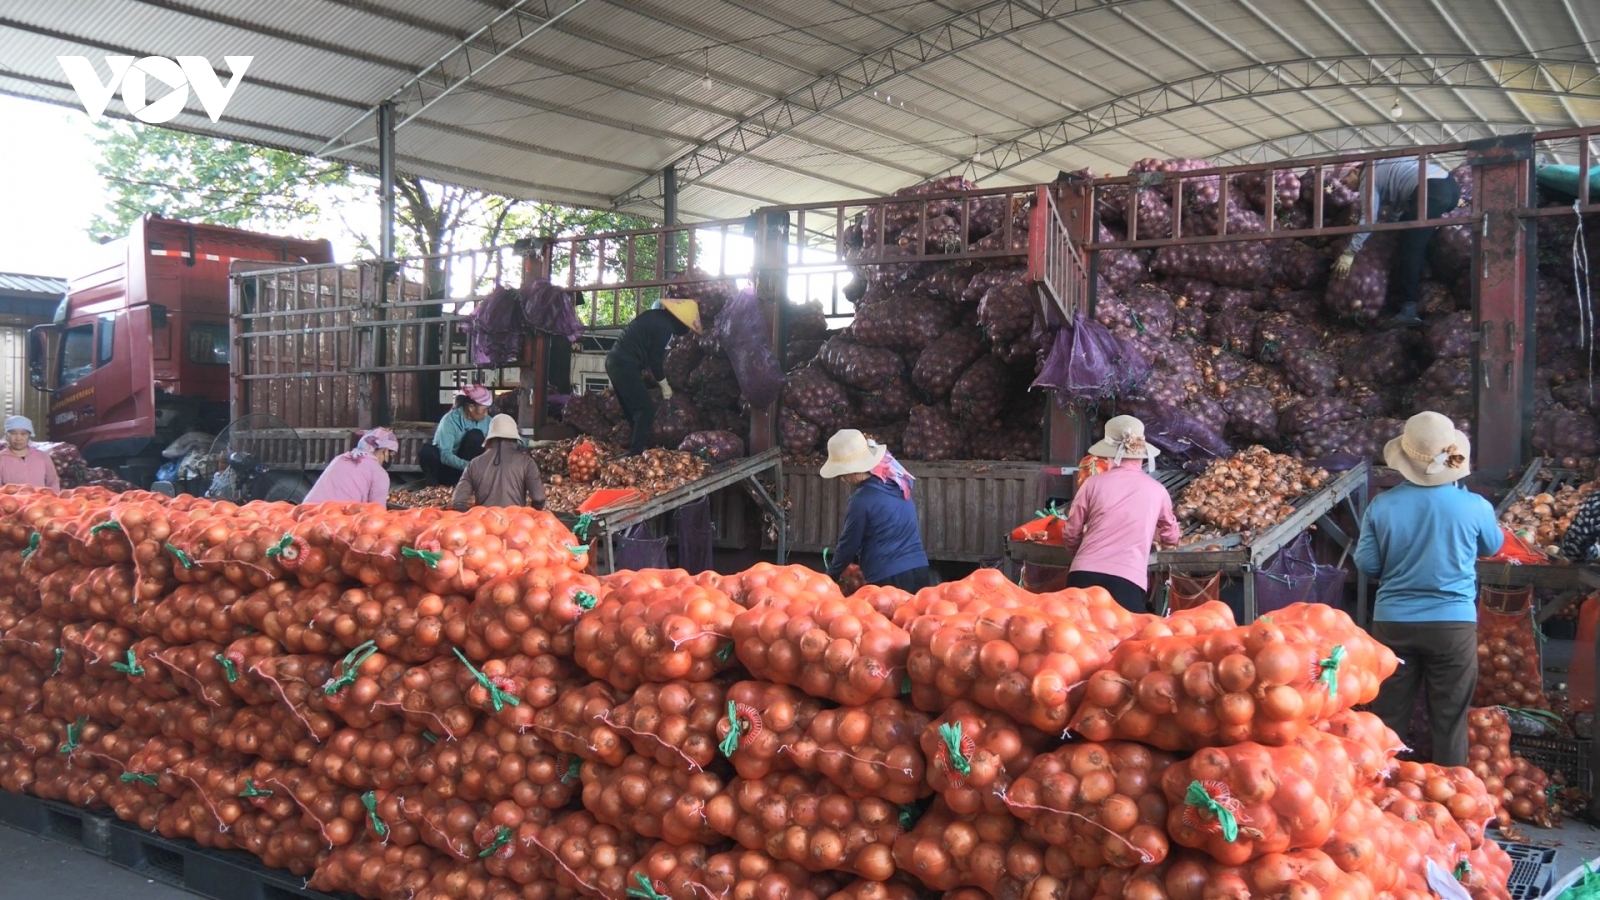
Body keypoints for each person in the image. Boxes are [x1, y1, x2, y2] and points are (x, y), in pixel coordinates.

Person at [1355, 411, 1502, 767]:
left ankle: (1381, 788)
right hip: (1453, 626)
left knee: (1387, 719)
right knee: (1449, 721)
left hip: (1394, 623)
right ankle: (1452, 792)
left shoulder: (1382, 505)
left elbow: (1367, 565)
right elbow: (1492, 546)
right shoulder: (1475, 506)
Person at [1058, 416, 1180, 613]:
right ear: (1142, 454)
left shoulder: (1092, 484)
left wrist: (1080, 555)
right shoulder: (1157, 491)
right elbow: (1171, 536)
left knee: (1077, 632)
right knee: (1121, 633)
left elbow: (1071, 532)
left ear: (1108, 455)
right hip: (1126, 580)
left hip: (1082, 575)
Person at [1331, 157, 1460, 327]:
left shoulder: (1368, 176)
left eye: (1344, 180)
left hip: (1432, 190)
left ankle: (1409, 310)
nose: (1345, 186)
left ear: (1355, 171)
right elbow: (1399, 203)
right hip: (1450, 187)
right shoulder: (1382, 167)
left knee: (1410, 249)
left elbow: (1368, 219)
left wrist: (1349, 253)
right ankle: (1421, 279)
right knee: (1413, 236)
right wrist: (1391, 225)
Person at [820, 429, 931, 592]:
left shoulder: (861, 500)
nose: (842, 479)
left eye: (841, 473)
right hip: (920, 568)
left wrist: (830, 577)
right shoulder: (896, 481)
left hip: (888, 577)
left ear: (851, 470)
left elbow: (849, 545)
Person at [605, 299, 701, 456]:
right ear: (680, 321)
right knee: (646, 410)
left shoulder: (655, 316)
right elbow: (655, 360)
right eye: (687, 326)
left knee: (634, 412)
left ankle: (635, 449)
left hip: (614, 362)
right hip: (624, 365)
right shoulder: (665, 327)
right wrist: (664, 385)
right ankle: (635, 453)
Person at [451, 414, 546, 511]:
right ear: (515, 439)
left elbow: (458, 502)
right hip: (515, 519)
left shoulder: (474, 464)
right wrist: (530, 513)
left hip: (485, 520)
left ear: (489, 438)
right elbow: (539, 498)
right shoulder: (526, 462)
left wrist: (475, 516)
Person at [421, 384, 493, 486]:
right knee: (426, 451)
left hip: (470, 473)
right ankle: (434, 487)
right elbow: (445, 455)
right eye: (484, 410)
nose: (486, 413)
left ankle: (473, 483)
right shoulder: (449, 421)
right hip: (448, 471)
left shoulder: (488, 421)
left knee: (475, 435)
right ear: (471, 407)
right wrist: (469, 466)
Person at [303, 427, 398, 504]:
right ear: (385, 451)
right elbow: (377, 511)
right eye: (391, 455)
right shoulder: (379, 473)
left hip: (304, 513)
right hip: (335, 518)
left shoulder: (341, 458)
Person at [0, 415, 59, 490]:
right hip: (11, 498)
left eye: (23, 434)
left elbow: (53, 482)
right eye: (13, 433)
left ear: (29, 436)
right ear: (7, 435)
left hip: (39, 497)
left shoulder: (42, 456)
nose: (18, 438)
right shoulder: (1, 458)